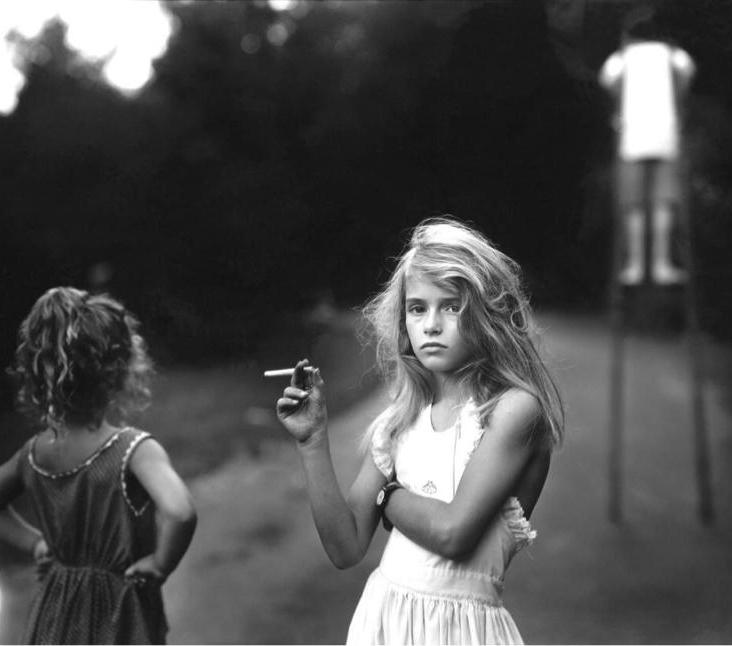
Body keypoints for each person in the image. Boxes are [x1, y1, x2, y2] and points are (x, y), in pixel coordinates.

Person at [276, 217, 563, 645]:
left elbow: (452, 533)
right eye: (417, 308)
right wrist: (312, 440)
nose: (431, 324)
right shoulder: (400, 421)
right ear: (404, 324)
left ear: (487, 314)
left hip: (463, 632)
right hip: (385, 624)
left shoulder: (512, 409)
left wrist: (388, 495)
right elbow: (345, 547)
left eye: (450, 306)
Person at [0, 286, 197, 644]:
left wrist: (34, 544)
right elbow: (180, 512)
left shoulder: (33, 453)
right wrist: (159, 565)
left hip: (56, 612)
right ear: (118, 372)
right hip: (120, 615)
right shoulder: (133, 449)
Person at [599, 12, 695, 285]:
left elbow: (607, 80)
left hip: (632, 139)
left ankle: (635, 265)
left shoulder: (622, 60)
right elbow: (687, 76)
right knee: (663, 200)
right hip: (667, 138)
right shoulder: (675, 57)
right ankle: (662, 264)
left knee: (634, 204)